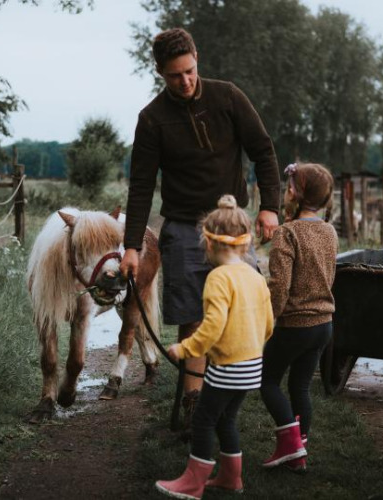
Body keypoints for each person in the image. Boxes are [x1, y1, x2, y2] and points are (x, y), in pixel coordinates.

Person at [119, 27, 280, 427]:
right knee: (193, 316)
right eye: (175, 75)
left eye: (190, 71)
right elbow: (141, 186)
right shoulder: (152, 119)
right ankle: (195, 405)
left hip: (232, 223)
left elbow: (263, 151)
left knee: (241, 310)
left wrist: (270, 207)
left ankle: (228, 399)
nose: (186, 81)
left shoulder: (228, 96)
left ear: (197, 60)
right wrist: (131, 246)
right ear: (160, 72)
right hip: (183, 228)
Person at [154, 195, 274, 499]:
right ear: (246, 242)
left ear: (207, 243)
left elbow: (211, 327)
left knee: (203, 421)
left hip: (227, 368)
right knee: (225, 419)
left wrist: (185, 349)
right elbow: (269, 323)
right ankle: (231, 478)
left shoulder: (218, 278)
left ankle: (193, 483)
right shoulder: (255, 277)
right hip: (253, 366)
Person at [259, 163, 338, 473]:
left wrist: (267, 321)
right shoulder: (329, 231)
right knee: (300, 387)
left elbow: (279, 287)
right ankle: (298, 452)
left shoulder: (287, 233)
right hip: (324, 325)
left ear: (294, 193)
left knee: (267, 381)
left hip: (295, 325)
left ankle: (291, 445)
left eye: (288, 187)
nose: (285, 192)